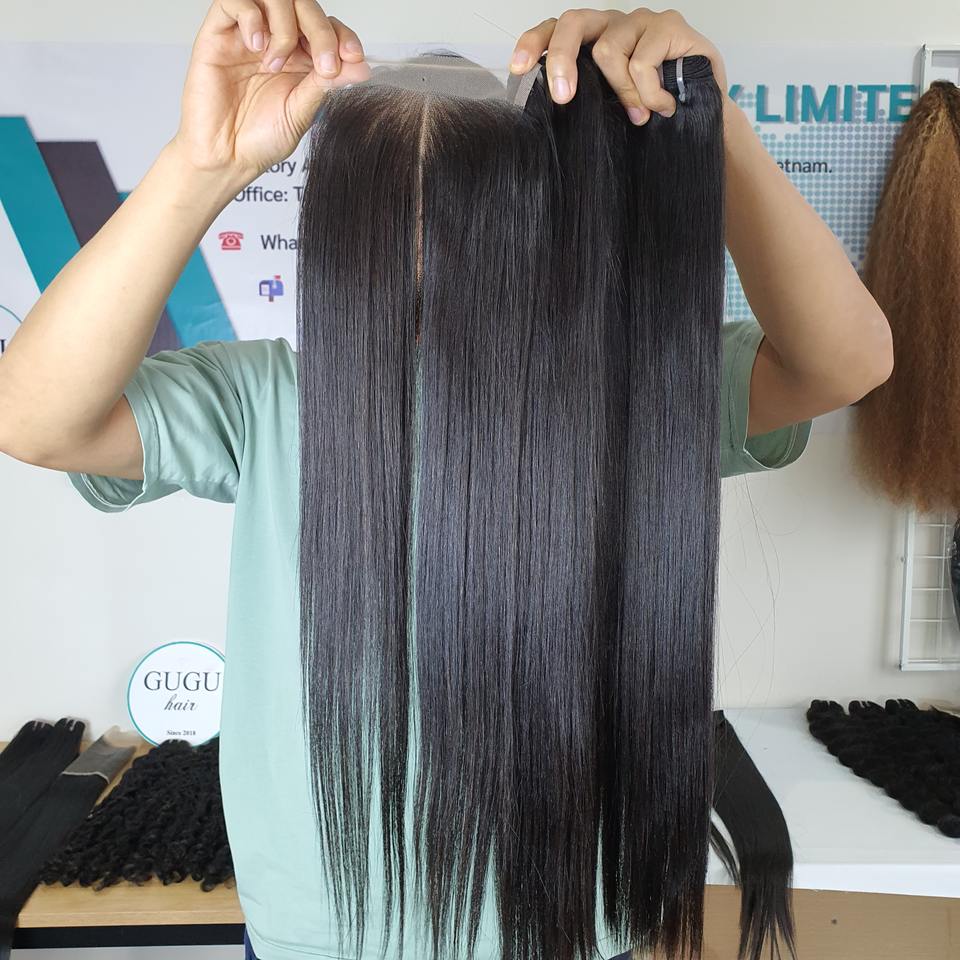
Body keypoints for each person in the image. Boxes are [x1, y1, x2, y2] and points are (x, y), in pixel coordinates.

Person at [0, 4, 892, 959]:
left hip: (573, 924)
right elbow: (36, 418)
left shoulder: (626, 389)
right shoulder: (271, 401)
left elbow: (846, 362)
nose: (427, 253)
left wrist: (714, 128)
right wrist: (201, 164)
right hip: (324, 934)